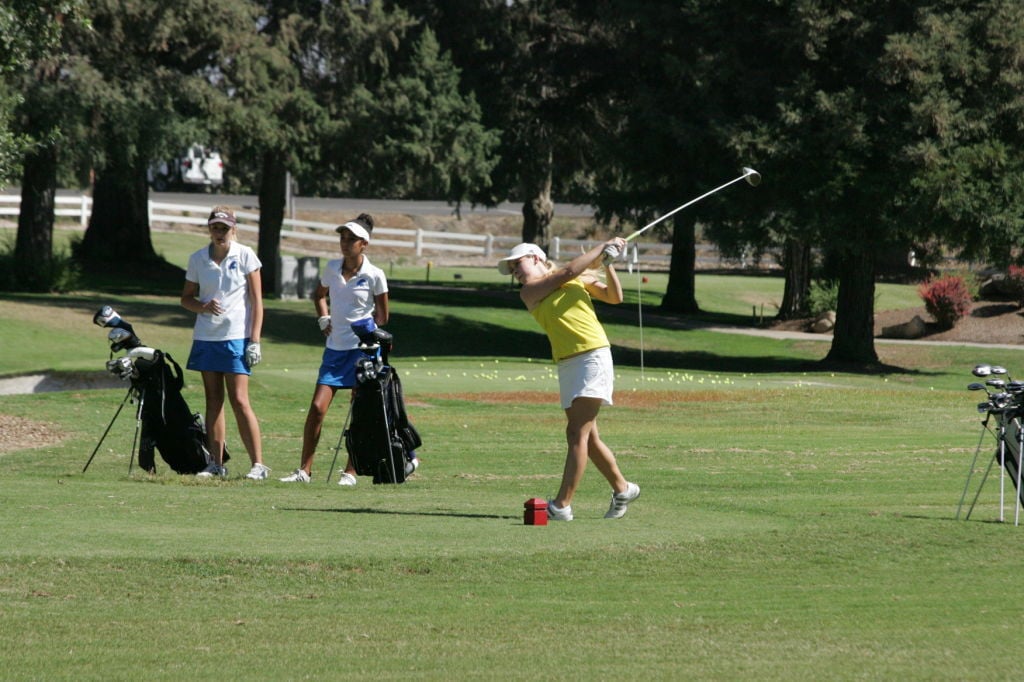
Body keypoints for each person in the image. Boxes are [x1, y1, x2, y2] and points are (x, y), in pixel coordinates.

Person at [497, 239, 640, 520]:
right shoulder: (530, 292)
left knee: (577, 434)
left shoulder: (576, 277)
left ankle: (561, 505)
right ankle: (623, 489)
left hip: (593, 356)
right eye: (512, 268)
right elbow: (566, 274)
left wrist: (609, 266)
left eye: (518, 264)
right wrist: (602, 247)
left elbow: (614, 297)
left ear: (536, 258)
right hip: (567, 363)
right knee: (588, 436)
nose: (515, 271)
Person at [280, 213, 416, 485]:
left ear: (363, 244)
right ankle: (304, 471)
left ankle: (350, 471)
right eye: (342, 238)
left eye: (351, 238)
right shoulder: (331, 267)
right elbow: (319, 295)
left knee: (360, 413)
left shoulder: (375, 275)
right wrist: (323, 318)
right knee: (317, 408)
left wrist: (368, 334)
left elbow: (383, 315)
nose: (345, 243)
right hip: (334, 349)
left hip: (362, 352)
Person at [180, 206, 269, 480]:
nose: (220, 233)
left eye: (225, 228)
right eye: (215, 228)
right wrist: (203, 306)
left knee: (240, 400)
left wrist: (254, 340)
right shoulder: (197, 259)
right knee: (213, 400)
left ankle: (258, 465)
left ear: (234, 229)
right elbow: (186, 299)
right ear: (209, 229)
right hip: (207, 337)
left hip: (236, 337)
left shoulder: (245, 255)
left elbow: (257, 302)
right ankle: (216, 463)